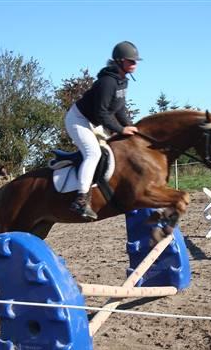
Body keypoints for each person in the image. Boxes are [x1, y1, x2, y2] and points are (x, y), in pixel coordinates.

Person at [64, 41, 141, 220]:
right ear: (119, 61)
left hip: (94, 121)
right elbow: (101, 113)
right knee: (93, 154)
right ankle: (81, 200)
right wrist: (121, 129)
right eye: (131, 61)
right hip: (78, 120)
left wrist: (131, 127)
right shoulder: (107, 82)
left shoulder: (122, 82)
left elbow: (119, 109)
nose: (135, 64)